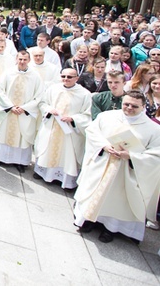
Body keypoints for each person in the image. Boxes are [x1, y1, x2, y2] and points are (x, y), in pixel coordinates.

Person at [74, 91, 160, 244]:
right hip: (103, 163)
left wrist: (133, 156)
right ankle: (88, 219)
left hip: (127, 171)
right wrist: (104, 145)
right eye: (126, 104)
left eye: (134, 106)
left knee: (118, 200)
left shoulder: (153, 129)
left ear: (143, 107)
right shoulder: (107, 116)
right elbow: (92, 131)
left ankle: (111, 228)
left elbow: (156, 154)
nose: (128, 108)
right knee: (95, 192)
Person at [33, 67, 92, 188]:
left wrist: (73, 118)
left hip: (69, 131)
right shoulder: (53, 89)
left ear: (77, 78)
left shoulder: (84, 94)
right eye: (63, 76)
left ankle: (64, 179)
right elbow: (43, 103)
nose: (66, 79)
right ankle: (43, 172)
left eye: (70, 77)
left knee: (67, 154)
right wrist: (49, 110)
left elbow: (87, 115)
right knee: (47, 148)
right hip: (52, 126)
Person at [0, 51, 43, 173]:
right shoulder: (8, 73)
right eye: (20, 59)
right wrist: (11, 106)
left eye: (25, 59)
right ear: (16, 59)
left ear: (29, 60)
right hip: (8, 111)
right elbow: (0, 90)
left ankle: (20, 161)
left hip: (24, 112)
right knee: (3, 133)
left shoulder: (35, 76)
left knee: (22, 136)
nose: (22, 62)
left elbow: (39, 96)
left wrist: (24, 108)